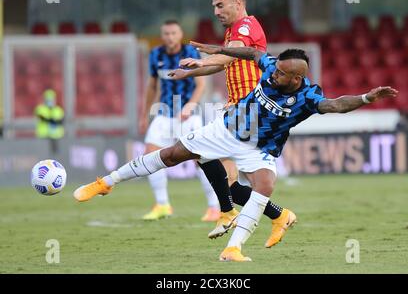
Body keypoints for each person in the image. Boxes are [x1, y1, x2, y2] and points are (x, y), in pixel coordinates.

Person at [72, 44, 398, 262]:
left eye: (283, 74)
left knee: (265, 184)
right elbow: (253, 53)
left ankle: (233, 249)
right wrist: (218, 50)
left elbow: (337, 104)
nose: (274, 74)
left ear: (297, 77)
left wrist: (367, 97)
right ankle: (107, 182)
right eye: (277, 69)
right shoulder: (272, 66)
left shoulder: (309, 97)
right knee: (171, 155)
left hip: (258, 149)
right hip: (224, 130)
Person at [169, 0, 295, 247]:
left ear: (238, 3)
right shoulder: (232, 34)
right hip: (238, 109)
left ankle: (228, 214)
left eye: (220, 5)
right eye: (213, 6)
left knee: (201, 153)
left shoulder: (247, 27)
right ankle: (276, 214)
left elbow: (223, 60)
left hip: (250, 111)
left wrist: (202, 60)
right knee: (226, 179)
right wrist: (191, 72)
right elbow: (221, 64)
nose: (215, 11)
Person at [138, 20, 220, 222]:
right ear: (162, 35)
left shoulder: (189, 53)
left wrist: (191, 105)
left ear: (180, 33)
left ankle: (214, 207)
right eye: (166, 33)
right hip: (164, 113)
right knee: (150, 154)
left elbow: (201, 84)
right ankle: (162, 204)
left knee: (201, 159)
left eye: (173, 33)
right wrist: (144, 114)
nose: (170, 37)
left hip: (188, 115)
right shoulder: (155, 54)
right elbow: (152, 87)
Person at [34, 89, 64, 154]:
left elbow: (61, 121)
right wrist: (52, 120)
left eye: (51, 99)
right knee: (43, 154)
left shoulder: (58, 110)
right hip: (43, 136)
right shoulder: (40, 109)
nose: (50, 101)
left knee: (56, 155)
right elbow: (42, 118)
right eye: (48, 99)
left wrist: (54, 121)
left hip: (56, 137)